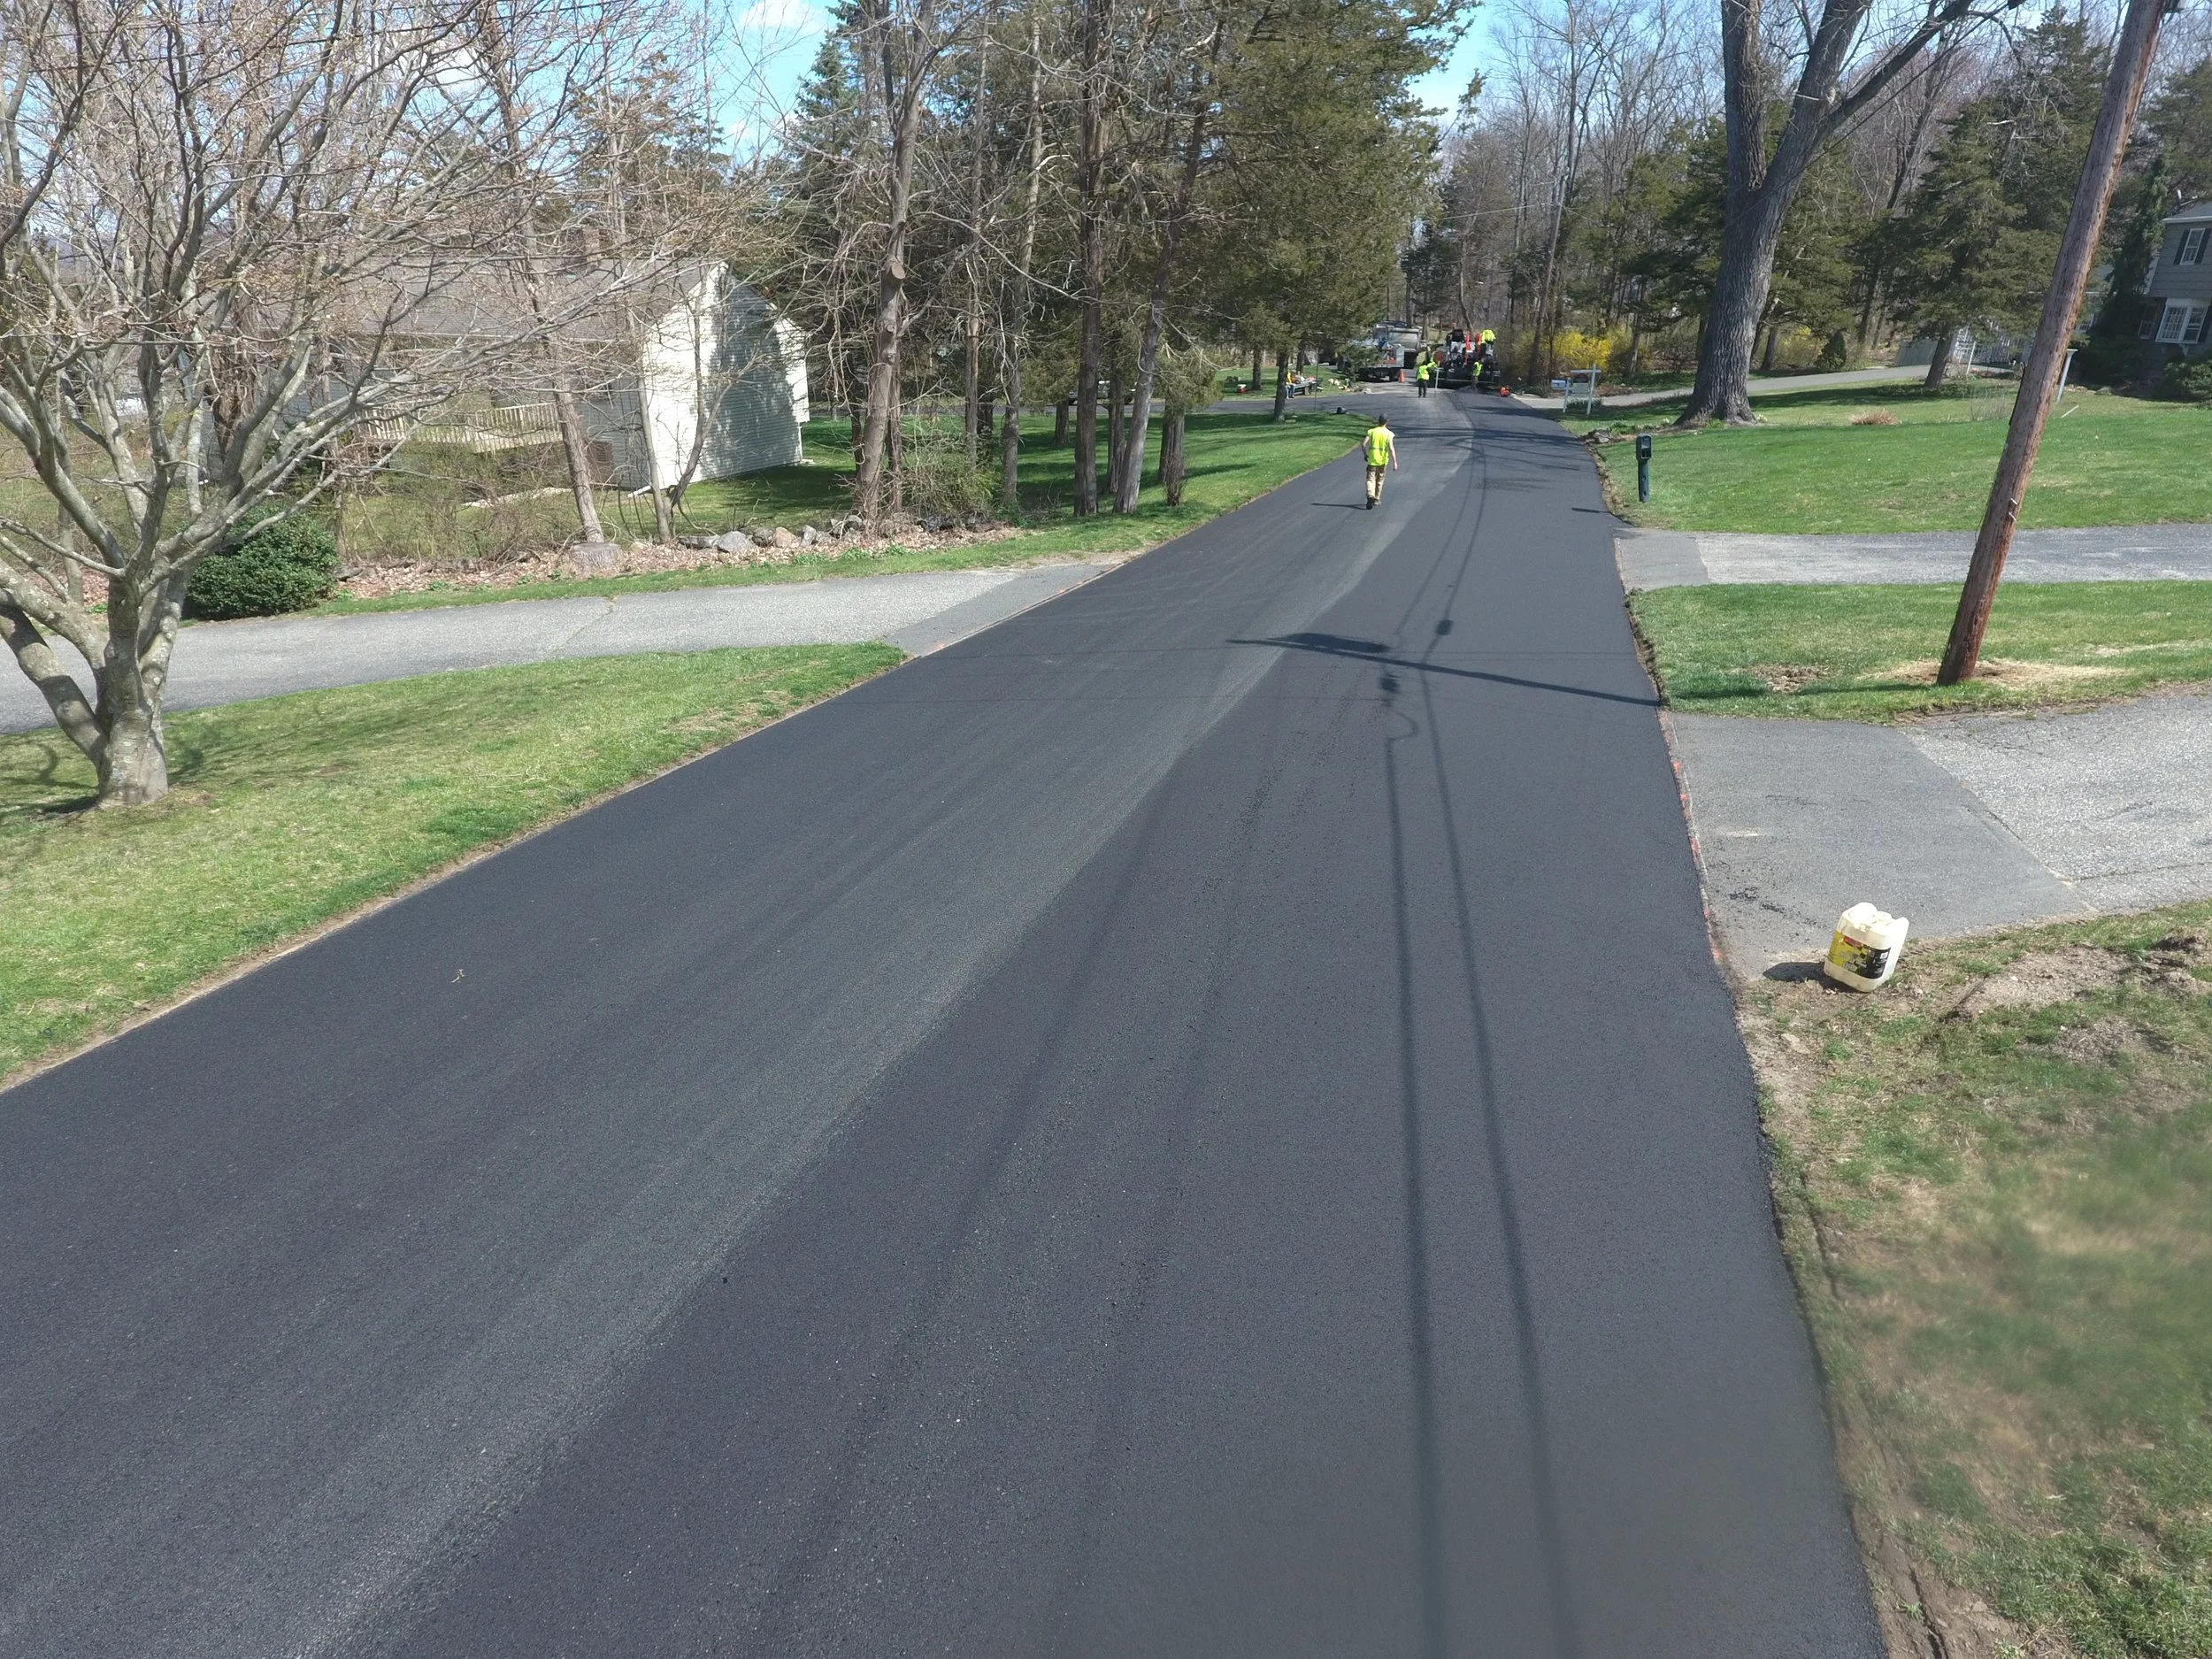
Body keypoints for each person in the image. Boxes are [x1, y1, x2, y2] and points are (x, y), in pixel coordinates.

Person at [1363, 414, 1398, 509]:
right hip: (1382, 461)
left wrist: (1366, 455)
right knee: (1380, 480)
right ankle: (1377, 498)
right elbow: (1391, 448)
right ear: (1387, 422)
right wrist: (1395, 461)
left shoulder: (1372, 432)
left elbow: (1363, 444)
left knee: (1370, 479)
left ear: (1378, 421)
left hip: (1372, 460)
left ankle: (1370, 495)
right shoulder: (1389, 434)